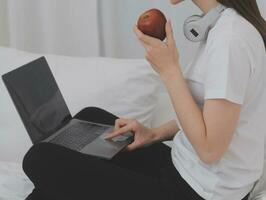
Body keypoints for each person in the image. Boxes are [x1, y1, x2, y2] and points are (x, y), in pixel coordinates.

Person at [23, 0, 266, 199]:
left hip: (197, 191)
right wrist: (154, 134)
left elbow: (211, 150)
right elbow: (211, 114)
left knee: (39, 158)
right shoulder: (222, 26)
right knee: (90, 117)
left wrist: (170, 71)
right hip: (183, 169)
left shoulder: (230, 41)